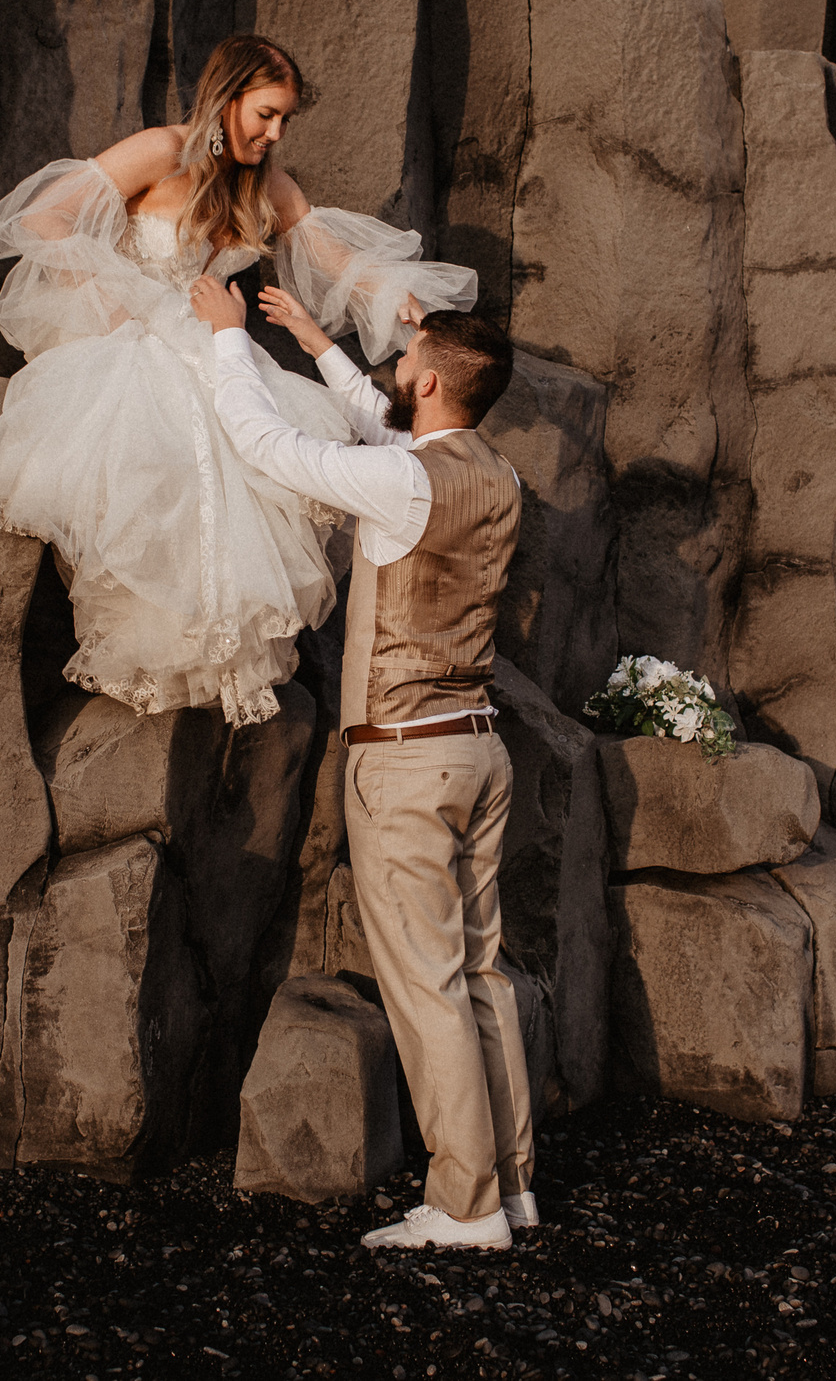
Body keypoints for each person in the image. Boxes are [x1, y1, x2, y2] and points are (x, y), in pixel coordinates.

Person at [0, 36, 477, 726]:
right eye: (266, 113)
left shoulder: (264, 183)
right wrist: (119, 297)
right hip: (131, 340)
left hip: (204, 342)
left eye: (286, 120)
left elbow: (330, 253)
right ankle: (155, 643)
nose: (275, 133)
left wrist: (396, 295)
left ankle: (207, 652)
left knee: (253, 464)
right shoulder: (161, 150)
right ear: (226, 97)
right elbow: (43, 217)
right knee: (159, 463)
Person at [190, 268, 536, 1251]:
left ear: (429, 382)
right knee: (480, 976)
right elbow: (382, 431)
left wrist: (226, 340)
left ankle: (464, 1209)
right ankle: (511, 1188)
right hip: (478, 754)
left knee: (424, 986)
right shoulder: (491, 475)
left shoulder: (400, 482)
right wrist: (311, 336)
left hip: (406, 766)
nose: (393, 367)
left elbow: (268, 445)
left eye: (405, 358)